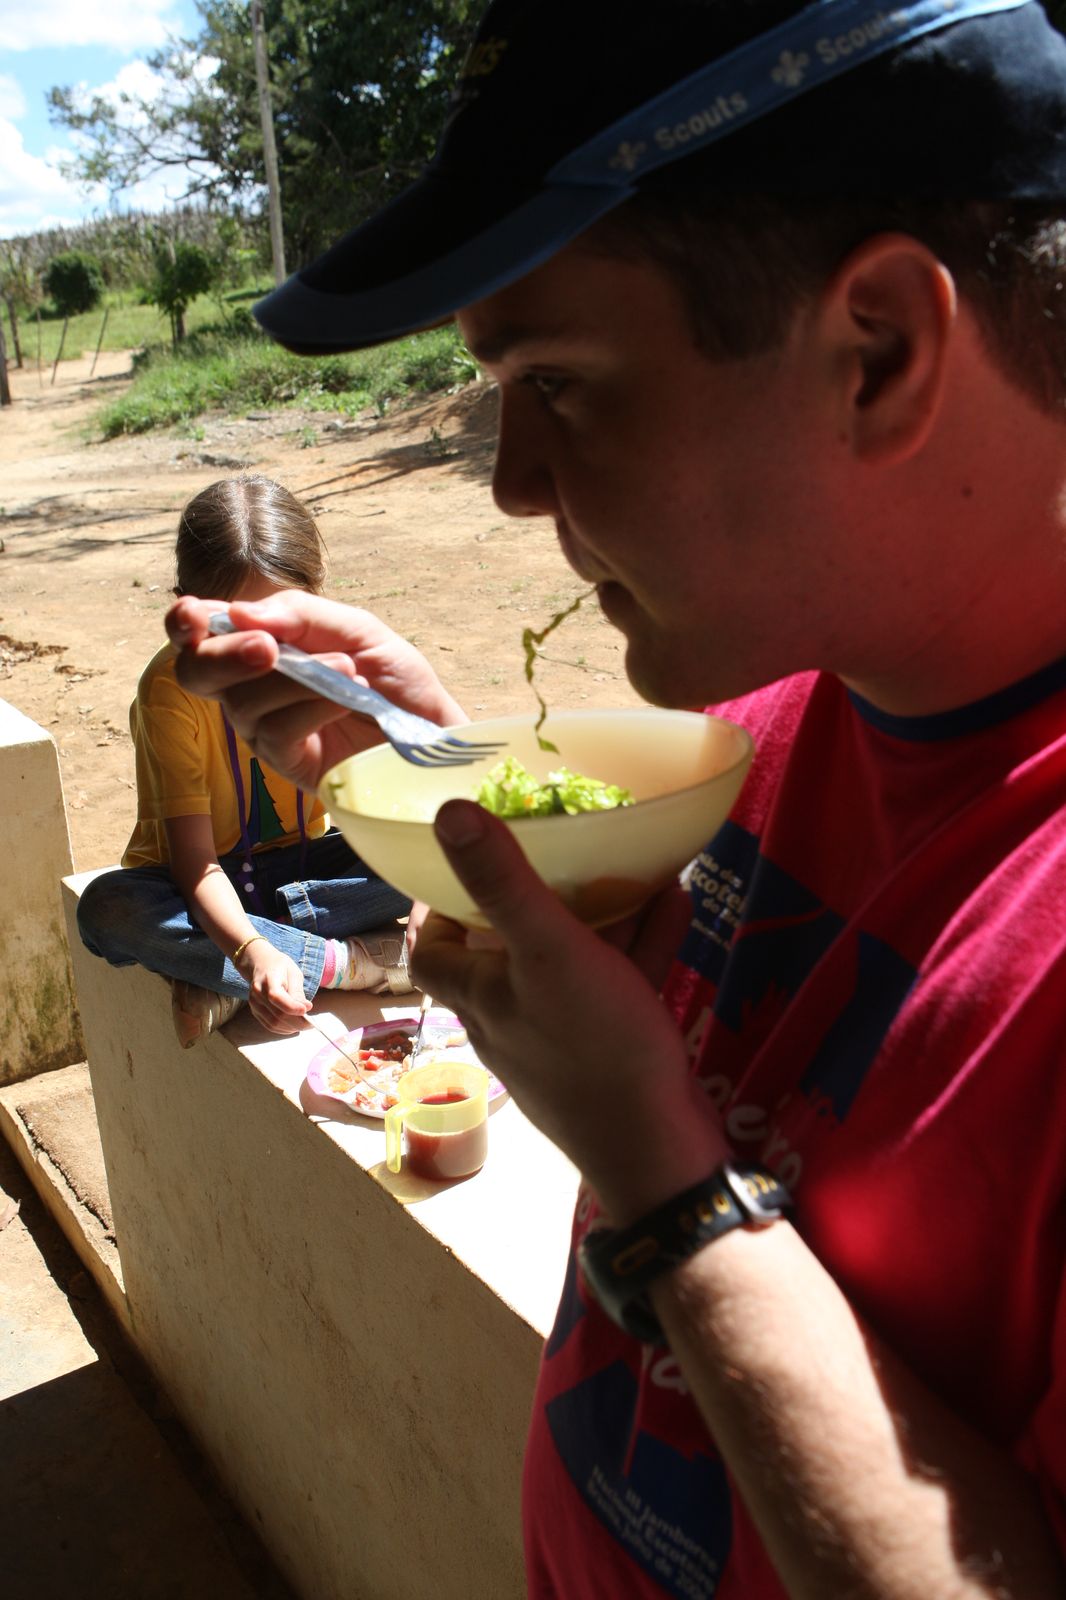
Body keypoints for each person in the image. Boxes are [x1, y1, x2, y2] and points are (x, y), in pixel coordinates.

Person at [162, 0, 1066, 1594]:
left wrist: (663, 1185)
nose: (510, 480)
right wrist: (437, 768)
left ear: (875, 351)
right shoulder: (765, 733)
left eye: (559, 381)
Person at [77, 475, 423, 1045]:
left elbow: (401, 809)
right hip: (195, 888)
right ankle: (352, 964)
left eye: (281, 620)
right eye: (231, 624)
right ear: (189, 612)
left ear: (317, 592)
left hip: (303, 875)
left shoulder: (335, 662)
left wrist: (430, 888)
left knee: (447, 849)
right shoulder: (171, 689)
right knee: (111, 909)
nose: (260, 648)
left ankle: (221, 979)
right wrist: (251, 951)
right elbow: (196, 866)